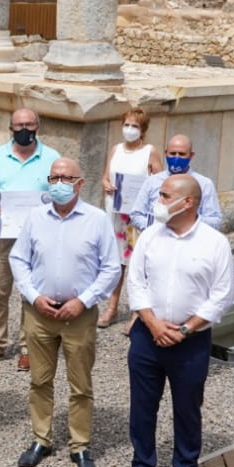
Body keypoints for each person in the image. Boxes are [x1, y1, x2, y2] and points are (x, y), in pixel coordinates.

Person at [124, 174, 234, 467]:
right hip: (147, 336)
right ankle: (143, 465)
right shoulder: (149, 237)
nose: (157, 201)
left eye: (163, 195)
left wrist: (186, 329)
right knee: (142, 407)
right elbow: (136, 283)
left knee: (188, 409)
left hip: (191, 342)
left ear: (187, 202)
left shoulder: (215, 243)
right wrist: (153, 324)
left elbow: (221, 296)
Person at [9, 157, 122, 467]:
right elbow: (19, 259)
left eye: (66, 178)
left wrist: (83, 301)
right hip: (39, 313)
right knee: (40, 380)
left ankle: (80, 445)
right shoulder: (35, 218)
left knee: (81, 385)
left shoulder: (97, 220)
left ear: (80, 183)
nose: (59, 183)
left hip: (79, 316)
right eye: (54, 177)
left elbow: (111, 267)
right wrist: (33, 295)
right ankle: (41, 439)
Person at [0, 107, 54, 371]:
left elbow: (60, 193)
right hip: (2, 236)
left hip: (37, 238)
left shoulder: (52, 157)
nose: (24, 130)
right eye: (19, 125)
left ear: (38, 126)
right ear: (10, 129)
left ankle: (27, 347)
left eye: (29, 124)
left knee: (30, 294)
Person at [98, 107, 162, 328]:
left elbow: (159, 182)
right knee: (116, 262)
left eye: (134, 126)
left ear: (142, 129)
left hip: (137, 216)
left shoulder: (150, 152)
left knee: (138, 263)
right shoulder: (116, 149)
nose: (129, 129)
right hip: (115, 212)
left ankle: (138, 312)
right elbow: (105, 177)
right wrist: (106, 184)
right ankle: (111, 308)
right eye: (127, 125)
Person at [130, 135, 225, 233]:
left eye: (182, 154)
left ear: (191, 155)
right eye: (172, 153)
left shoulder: (204, 184)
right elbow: (136, 214)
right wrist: (154, 226)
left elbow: (215, 221)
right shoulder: (152, 182)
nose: (176, 157)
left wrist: (186, 223)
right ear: (166, 153)